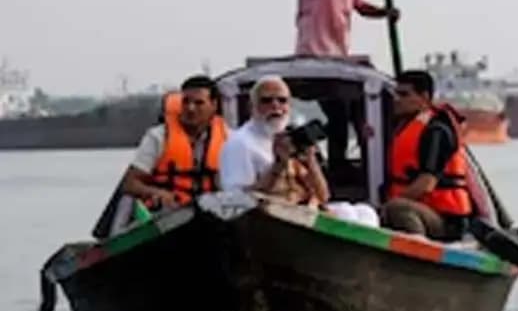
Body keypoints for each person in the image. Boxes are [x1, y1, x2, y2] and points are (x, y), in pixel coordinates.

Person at [218, 75, 379, 227]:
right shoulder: (240, 143)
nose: (276, 106)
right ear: (252, 107)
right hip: (271, 221)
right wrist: (278, 165)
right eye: (266, 101)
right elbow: (237, 201)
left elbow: (324, 196)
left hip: (304, 212)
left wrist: (310, 159)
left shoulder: (290, 137)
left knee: (364, 213)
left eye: (282, 101)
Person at [382, 70, 475, 241]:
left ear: (424, 97)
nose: (396, 99)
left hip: (446, 219)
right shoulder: (403, 125)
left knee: (397, 208)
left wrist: (385, 206)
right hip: (424, 209)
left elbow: (426, 183)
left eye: (404, 94)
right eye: (395, 94)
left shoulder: (436, 131)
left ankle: (418, 255)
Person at [122, 75, 229, 210]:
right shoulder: (158, 136)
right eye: (185, 102)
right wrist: (156, 193)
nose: (190, 108)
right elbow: (130, 183)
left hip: (213, 214)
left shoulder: (228, 138)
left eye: (199, 103)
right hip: (168, 215)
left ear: (214, 105)